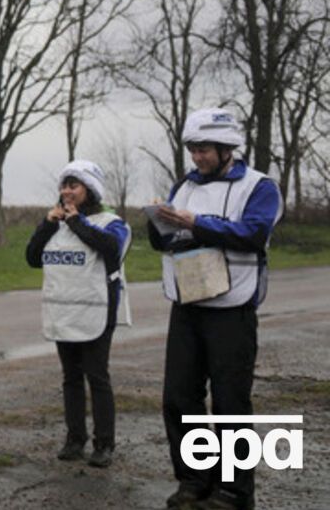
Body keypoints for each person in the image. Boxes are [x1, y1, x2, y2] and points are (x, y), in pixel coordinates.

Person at [149, 108, 282, 510]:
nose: (197, 157)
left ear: (227, 149)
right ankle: (195, 480)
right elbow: (167, 239)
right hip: (188, 304)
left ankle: (235, 492)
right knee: (179, 398)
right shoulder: (184, 185)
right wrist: (158, 223)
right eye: (193, 149)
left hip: (232, 308)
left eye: (204, 149)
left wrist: (197, 223)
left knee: (230, 403)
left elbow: (254, 232)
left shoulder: (259, 187)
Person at [25, 159, 130, 469]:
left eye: (74, 186)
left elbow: (111, 248)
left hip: (96, 313)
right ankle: (75, 439)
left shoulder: (112, 222)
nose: (67, 192)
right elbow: (32, 258)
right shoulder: (55, 224)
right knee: (70, 378)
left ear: (90, 189)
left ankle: (104, 443)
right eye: (64, 185)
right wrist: (48, 224)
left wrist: (76, 223)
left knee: (97, 377)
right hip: (63, 314)